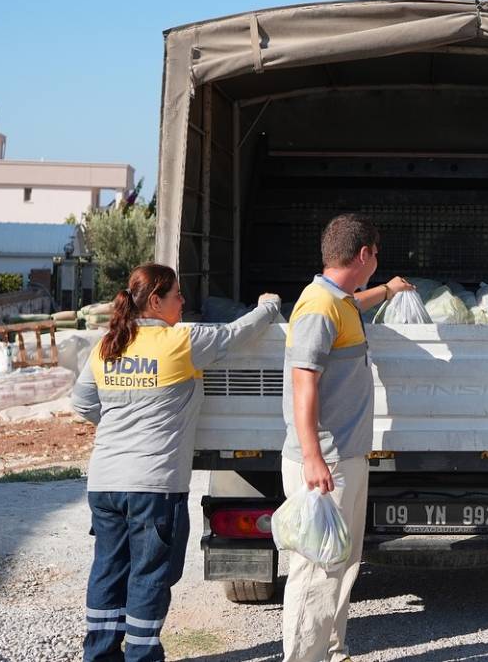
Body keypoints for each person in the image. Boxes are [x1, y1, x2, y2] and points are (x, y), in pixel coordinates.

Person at [72, 263, 280, 662]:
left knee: (108, 570)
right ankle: (142, 654)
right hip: (153, 485)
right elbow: (236, 334)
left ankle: (99, 655)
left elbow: (82, 402)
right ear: (155, 301)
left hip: (104, 482)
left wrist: (121, 424)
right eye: (177, 295)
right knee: (150, 574)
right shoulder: (181, 341)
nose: (184, 301)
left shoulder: (107, 345)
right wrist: (268, 307)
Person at [281, 213, 415, 662]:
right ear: (363, 254)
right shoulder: (318, 307)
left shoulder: (339, 301)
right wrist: (314, 457)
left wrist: (390, 290)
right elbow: (304, 383)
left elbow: (354, 305)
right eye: (375, 254)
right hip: (326, 461)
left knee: (341, 563)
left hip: (345, 456)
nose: (377, 261)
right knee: (317, 570)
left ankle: (332, 651)